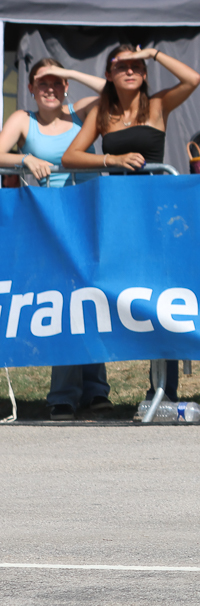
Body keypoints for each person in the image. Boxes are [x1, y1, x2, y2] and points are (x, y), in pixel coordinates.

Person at [63, 43, 200, 403]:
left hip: (155, 217)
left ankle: (163, 390)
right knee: (101, 296)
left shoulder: (157, 105)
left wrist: (154, 54)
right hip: (118, 215)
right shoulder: (102, 113)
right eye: (122, 65)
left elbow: (194, 78)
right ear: (108, 73)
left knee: (159, 300)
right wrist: (112, 157)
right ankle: (93, 390)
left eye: (137, 65)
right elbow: (70, 156)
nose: (131, 70)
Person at [0, 58, 108, 420]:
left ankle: (95, 391)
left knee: (93, 301)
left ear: (65, 86)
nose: (49, 88)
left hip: (87, 218)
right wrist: (24, 158)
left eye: (56, 81)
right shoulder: (23, 120)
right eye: (41, 82)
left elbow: (110, 92)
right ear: (30, 88)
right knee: (66, 304)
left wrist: (71, 74)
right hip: (49, 225)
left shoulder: (79, 111)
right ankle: (63, 394)